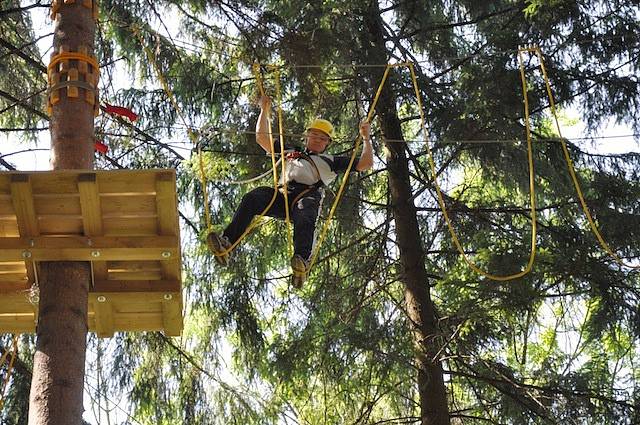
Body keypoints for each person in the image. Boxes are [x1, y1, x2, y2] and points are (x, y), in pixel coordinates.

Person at [207, 95, 373, 287]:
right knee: (253, 198)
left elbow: (365, 163)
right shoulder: (291, 150)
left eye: (323, 138)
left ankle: (302, 259)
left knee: (305, 214)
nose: (318, 140)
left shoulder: (331, 160)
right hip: (281, 194)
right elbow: (262, 139)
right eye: (315, 135)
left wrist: (366, 139)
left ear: (328, 143)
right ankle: (228, 243)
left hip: (307, 195)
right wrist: (264, 110)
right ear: (307, 136)